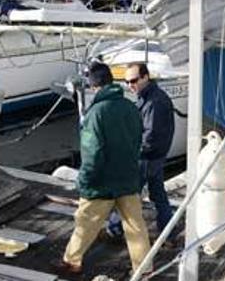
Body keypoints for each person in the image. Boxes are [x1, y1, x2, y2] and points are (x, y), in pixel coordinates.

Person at [61, 62, 151, 275]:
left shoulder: (95, 113)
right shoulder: (130, 107)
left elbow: (92, 154)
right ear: (112, 81)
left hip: (102, 182)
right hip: (128, 177)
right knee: (136, 227)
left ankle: (72, 261)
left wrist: (83, 181)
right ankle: (145, 270)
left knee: (86, 223)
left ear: (93, 86)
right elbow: (138, 140)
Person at [106, 63, 175, 240]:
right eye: (127, 82)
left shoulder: (154, 102)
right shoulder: (149, 97)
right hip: (155, 156)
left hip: (147, 157)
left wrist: (130, 152)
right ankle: (168, 232)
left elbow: (149, 136)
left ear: (145, 77)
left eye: (134, 81)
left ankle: (114, 228)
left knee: (126, 191)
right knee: (158, 193)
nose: (130, 85)